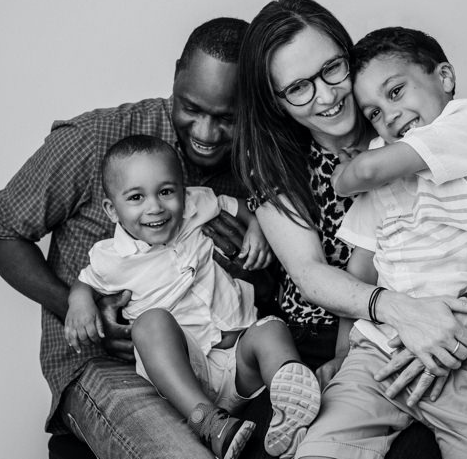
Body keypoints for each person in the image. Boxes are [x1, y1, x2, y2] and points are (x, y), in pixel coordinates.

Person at [234, 0, 467, 459]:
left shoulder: (431, 135)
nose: (326, 96)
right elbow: (315, 275)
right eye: (298, 88)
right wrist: (387, 324)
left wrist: (464, 318)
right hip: (316, 346)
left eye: (332, 69)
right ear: (277, 101)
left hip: (443, 330)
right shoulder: (272, 164)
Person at [0, 18, 264, 459]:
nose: (206, 134)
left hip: (216, 363)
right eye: (192, 109)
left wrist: (251, 243)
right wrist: (82, 309)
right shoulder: (97, 141)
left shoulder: (255, 164)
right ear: (175, 76)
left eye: (227, 119)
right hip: (106, 370)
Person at [299, 27, 467, 459]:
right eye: (375, 112)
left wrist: (349, 172)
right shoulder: (384, 161)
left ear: (445, 77)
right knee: (320, 450)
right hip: (379, 353)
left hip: (466, 359)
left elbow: (358, 176)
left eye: (396, 92)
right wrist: (343, 355)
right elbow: (361, 269)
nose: (390, 116)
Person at [65, 137, 320, 459]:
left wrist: (256, 226)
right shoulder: (110, 257)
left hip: (239, 358)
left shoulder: (198, 204)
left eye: (166, 191)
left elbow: (238, 206)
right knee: (151, 322)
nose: (155, 206)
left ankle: (291, 405)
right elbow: (84, 282)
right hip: (187, 372)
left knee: (271, 329)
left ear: (184, 191)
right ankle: (208, 421)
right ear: (111, 209)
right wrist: (80, 303)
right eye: (136, 197)